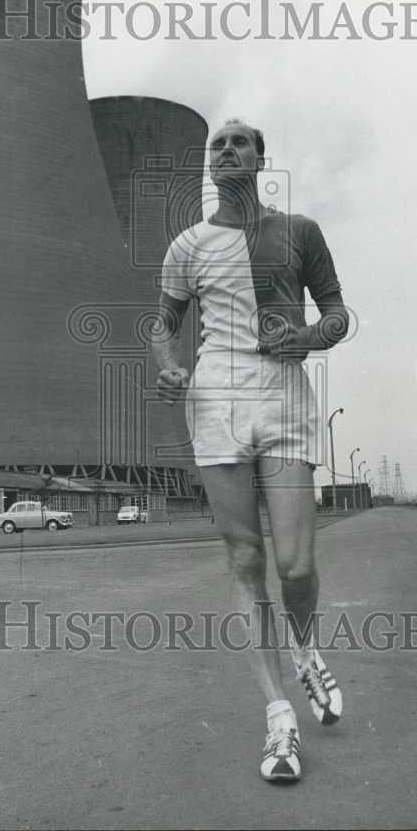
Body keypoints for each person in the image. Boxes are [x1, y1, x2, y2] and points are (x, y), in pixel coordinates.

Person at [152, 119, 349, 782]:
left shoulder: (297, 231)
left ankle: (304, 648)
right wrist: (169, 365)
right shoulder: (187, 245)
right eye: (218, 144)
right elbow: (164, 324)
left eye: (240, 142)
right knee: (244, 558)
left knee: (293, 566)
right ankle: (278, 719)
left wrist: (309, 338)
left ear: (261, 159)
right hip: (215, 402)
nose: (228, 149)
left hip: (284, 399)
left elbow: (337, 313)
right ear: (209, 165)